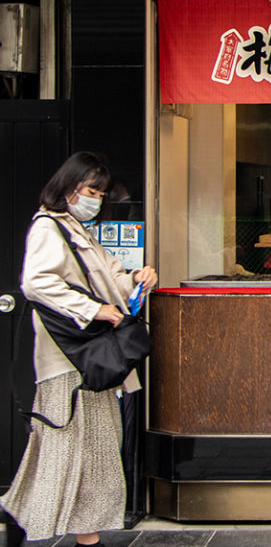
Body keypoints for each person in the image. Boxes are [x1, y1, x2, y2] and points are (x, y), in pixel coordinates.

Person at [0, 152, 158, 547]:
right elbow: (36, 283)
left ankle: (19, 511)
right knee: (76, 447)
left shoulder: (77, 230)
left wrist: (137, 279)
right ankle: (83, 536)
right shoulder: (48, 227)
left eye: (102, 193)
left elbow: (110, 276)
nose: (97, 200)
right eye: (91, 191)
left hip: (86, 357)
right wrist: (94, 310)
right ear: (68, 188)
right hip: (70, 357)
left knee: (76, 447)